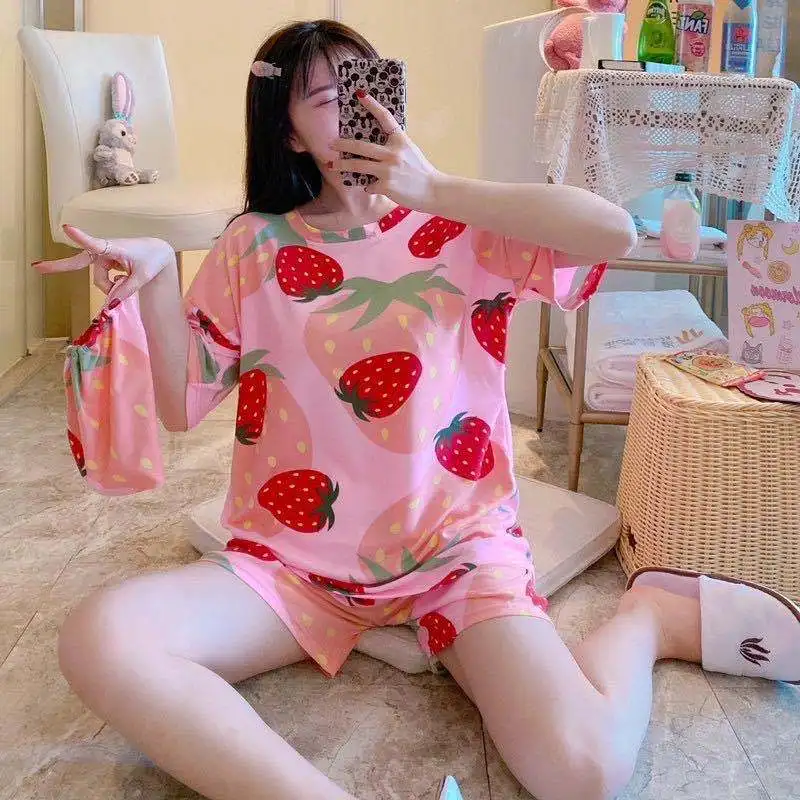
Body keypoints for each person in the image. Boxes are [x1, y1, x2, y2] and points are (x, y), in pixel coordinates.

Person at [36, 19, 799, 800]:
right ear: (290, 134)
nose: (358, 108)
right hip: (290, 564)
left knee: (585, 773)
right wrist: (159, 275)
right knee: (103, 639)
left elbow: (610, 231)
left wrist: (435, 190)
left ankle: (651, 617)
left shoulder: (463, 225)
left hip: (452, 553)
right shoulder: (252, 246)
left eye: (369, 85)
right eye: (328, 98)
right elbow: (179, 404)